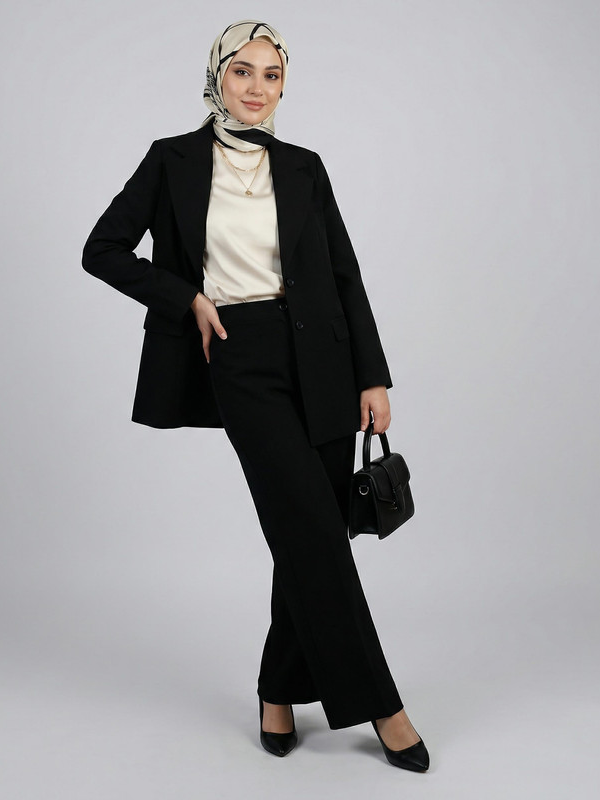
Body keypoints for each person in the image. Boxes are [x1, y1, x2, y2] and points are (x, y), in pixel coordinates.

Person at [82, 20, 430, 773]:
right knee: (308, 524)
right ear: (218, 74)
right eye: (242, 70)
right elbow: (101, 249)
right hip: (238, 354)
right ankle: (382, 704)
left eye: (272, 75)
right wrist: (185, 298)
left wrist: (373, 374)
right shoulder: (172, 159)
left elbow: (343, 273)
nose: (256, 88)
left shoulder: (304, 166)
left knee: (311, 531)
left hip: (324, 358)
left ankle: (278, 688)